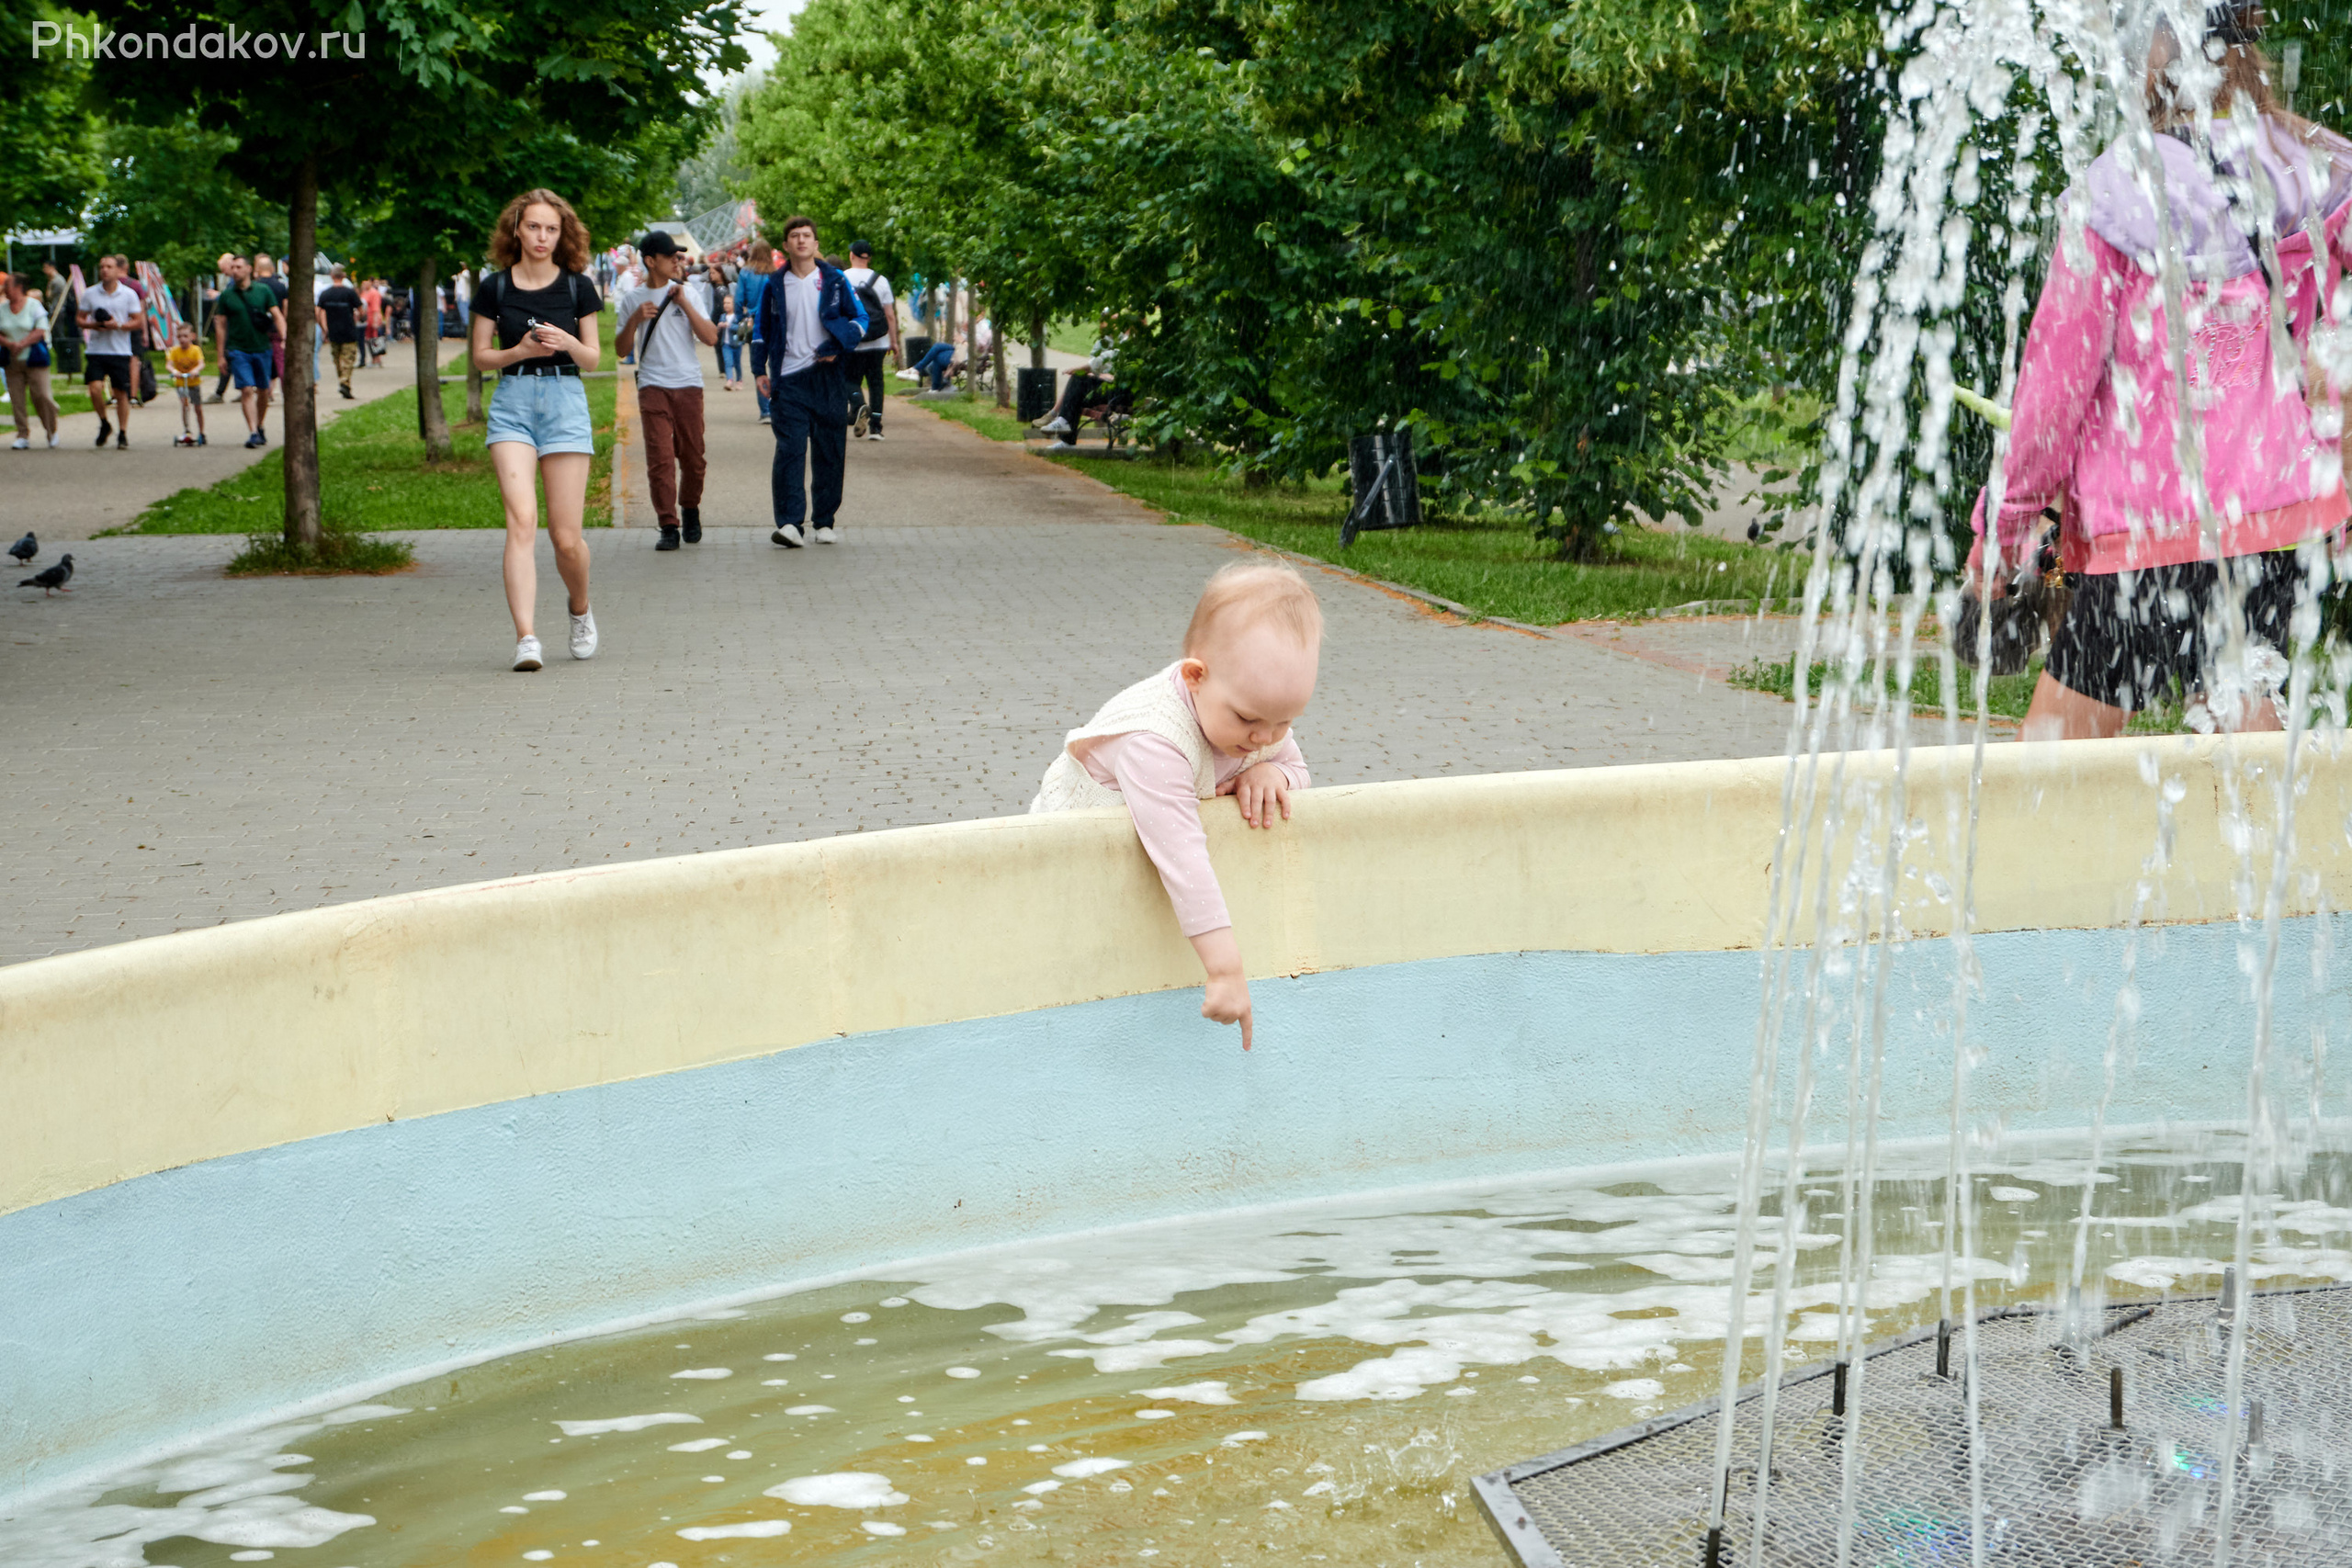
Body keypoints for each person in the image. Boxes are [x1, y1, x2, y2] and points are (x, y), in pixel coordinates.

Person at [1973, 0, 2352, 740]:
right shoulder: (2308, 166)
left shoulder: (2121, 190)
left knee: (2049, 772)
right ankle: (2312, 850)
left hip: (2148, 536)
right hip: (2274, 524)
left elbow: (2054, 390)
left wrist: (2007, 524)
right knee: (2240, 722)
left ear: (2157, 50)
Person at [1028, 561, 1322, 1051]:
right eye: (1250, 719)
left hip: (1139, 857)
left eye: (1284, 722)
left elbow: (1298, 773)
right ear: (1195, 677)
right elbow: (1184, 859)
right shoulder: (1155, 743)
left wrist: (1275, 772)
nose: (1264, 737)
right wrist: (1226, 971)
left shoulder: (1257, 718)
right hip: (1063, 861)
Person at [472, 187, 603, 672]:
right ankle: (526, 638)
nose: (542, 236)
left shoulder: (577, 286)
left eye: (551, 228)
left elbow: (592, 359)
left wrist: (567, 341)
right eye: (533, 227)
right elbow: (481, 356)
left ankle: (580, 608)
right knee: (521, 520)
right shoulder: (494, 287)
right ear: (516, 230)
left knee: (566, 538)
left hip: (566, 402)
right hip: (513, 402)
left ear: (562, 233)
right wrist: (519, 352)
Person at [754, 216, 866, 548]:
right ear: (786, 246)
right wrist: (759, 369)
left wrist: (840, 343)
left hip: (828, 376)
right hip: (788, 379)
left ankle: (824, 521)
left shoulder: (834, 281)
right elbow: (761, 330)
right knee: (789, 449)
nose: (801, 240)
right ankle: (790, 523)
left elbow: (860, 319)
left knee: (830, 448)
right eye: (794, 236)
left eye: (807, 236)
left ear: (816, 244)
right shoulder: (774, 284)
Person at [616, 230, 719, 551]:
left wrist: (685, 304)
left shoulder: (688, 293)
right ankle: (667, 524)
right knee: (659, 459)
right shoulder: (633, 299)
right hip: (652, 386)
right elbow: (620, 350)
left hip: (688, 385)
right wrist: (635, 319)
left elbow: (711, 337)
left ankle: (690, 508)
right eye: (671, 256)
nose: (677, 261)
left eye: (679, 256)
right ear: (651, 261)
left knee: (693, 458)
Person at [212, 255, 284, 449]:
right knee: (246, 389)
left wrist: (284, 338)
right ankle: (252, 432)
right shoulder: (227, 295)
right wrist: (220, 355)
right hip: (238, 349)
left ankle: (260, 425)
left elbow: (277, 315)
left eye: (239, 267)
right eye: (232, 267)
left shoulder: (263, 291)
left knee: (263, 390)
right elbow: (220, 325)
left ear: (249, 269)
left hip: (262, 348)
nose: (234, 270)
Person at [77, 255, 142, 449]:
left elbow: (138, 321)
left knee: (120, 393)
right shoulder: (90, 293)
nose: (105, 270)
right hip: (96, 349)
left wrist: (119, 325)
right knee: (94, 388)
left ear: (117, 270)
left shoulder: (128, 294)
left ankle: (122, 432)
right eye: (102, 267)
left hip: (119, 350)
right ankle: (104, 423)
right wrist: (93, 325)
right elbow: (79, 319)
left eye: (109, 267)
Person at [840, 240, 901, 441]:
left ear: (851, 255)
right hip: (878, 340)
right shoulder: (880, 280)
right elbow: (889, 314)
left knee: (848, 379)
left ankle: (858, 405)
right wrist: (893, 341)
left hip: (852, 339)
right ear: (869, 258)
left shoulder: (842, 278)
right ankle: (876, 426)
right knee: (876, 382)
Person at [1, 272, 60, 448]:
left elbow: (41, 329)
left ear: (19, 287)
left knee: (42, 395)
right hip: (12, 360)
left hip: (34, 360)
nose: (4, 289)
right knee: (17, 399)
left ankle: (51, 430)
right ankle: (22, 435)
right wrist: (9, 344)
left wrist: (22, 343)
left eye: (7, 285)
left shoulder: (34, 306)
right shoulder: (2, 309)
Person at [734, 242, 775, 423]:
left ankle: (765, 410)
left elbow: (738, 298)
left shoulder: (746, 272)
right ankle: (777, 406)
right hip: (773, 319)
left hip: (753, 320)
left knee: (759, 364)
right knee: (776, 363)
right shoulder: (774, 273)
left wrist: (738, 318)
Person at [317, 265, 364, 399]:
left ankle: (343, 382)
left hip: (333, 331)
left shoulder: (325, 294)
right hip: (348, 330)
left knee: (337, 359)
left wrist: (323, 327)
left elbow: (318, 311)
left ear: (331, 276)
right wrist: (359, 318)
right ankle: (345, 382)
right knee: (348, 359)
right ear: (343, 276)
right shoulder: (350, 293)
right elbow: (361, 310)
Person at [165, 321, 208, 446]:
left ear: (192, 336)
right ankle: (187, 429)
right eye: (179, 337)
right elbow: (169, 364)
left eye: (185, 336)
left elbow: (201, 363)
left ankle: (201, 432)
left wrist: (196, 370)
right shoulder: (174, 351)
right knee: (185, 405)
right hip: (181, 383)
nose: (182, 339)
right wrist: (174, 371)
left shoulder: (196, 350)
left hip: (193, 382)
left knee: (197, 407)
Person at [707, 260, 741, 389]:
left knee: (730, 342)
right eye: (710, 273)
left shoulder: (730, 287)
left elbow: (736, 299)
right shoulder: (710, 288)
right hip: (715, 318)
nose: (711, 276)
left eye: (714, 273)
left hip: (729, 317)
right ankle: (723, 369)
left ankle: (731, 368)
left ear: (720, 273)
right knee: (718, 343)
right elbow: (707, 302)